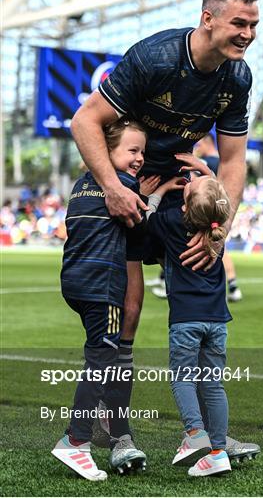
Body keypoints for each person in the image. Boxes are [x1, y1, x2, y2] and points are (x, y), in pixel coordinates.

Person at [71, 0, 260, 461]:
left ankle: (211, 437)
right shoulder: (155, 58)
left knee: (203, 298)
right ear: (208, 19)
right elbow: (85, 121)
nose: (248, 33)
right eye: (239, 22)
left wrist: (220, 230)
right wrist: (114, 189)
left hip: (177, 193)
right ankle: (116, 433)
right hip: (127, 188)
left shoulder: (237, 78)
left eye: (254, 24)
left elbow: (233, 161)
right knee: (128, 312)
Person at [52, 118, 183, 481]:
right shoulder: (122, 185)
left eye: (142, 151)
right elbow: (141, 224)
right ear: (107, 152)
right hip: (102, 288)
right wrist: (154, 196)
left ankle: (104, 432)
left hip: (74, 284)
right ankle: (76, 441)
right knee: (103, 363)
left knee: (100, 355)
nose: (140, 158)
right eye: (132, 150)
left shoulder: (81, 185)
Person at [146, 174, 234, 477]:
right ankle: (218, 452)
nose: (190, 180)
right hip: (218, 323)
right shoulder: (218, 233)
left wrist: (160, 189)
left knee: (183, 379)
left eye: (190, 186)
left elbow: (146, 217)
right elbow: (221, 203)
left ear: (185, 207)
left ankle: (195, 434)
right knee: (213, 385)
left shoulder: (172, 221)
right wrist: (205, 175)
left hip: (186, 320)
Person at [151, 133, 243, 302]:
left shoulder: (209, 163)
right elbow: (217, 192)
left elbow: (210, 190)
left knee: (183, 247)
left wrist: (160, 190)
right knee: (216, 249)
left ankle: (168, 282)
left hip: (201, 215)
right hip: (212, 217)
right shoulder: (216, 166)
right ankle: (232, 285)